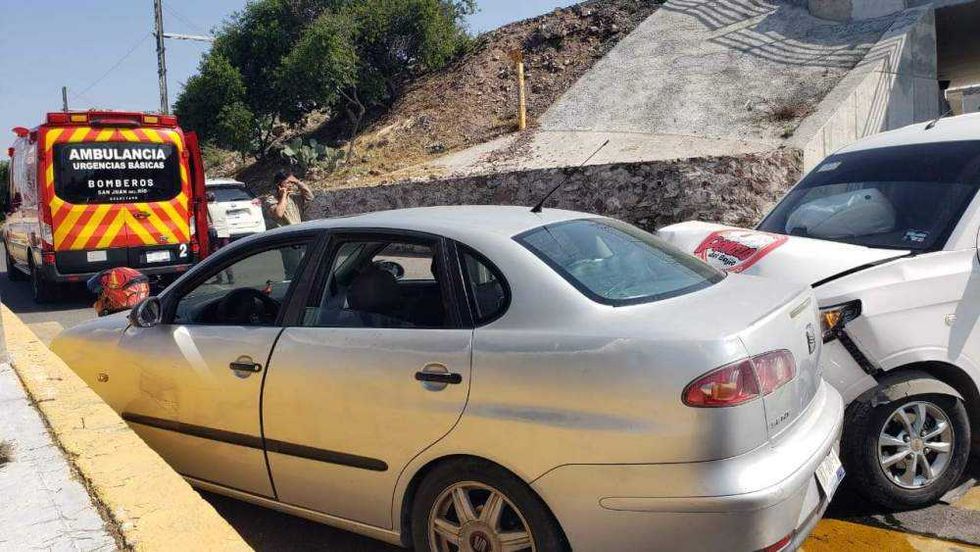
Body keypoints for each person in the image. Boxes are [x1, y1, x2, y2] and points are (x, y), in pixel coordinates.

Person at [265, 169, 314, 279]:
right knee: (293, 271)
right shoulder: (271, 199)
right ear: (279, 185)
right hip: (287, 238)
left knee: (306, 268)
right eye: (288, 183)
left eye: (292, 183)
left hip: (300, 236)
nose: (291, 185)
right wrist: (283, 196)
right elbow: (278, 214)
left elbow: (310, 197)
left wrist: (297, 182)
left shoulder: (295, 197)